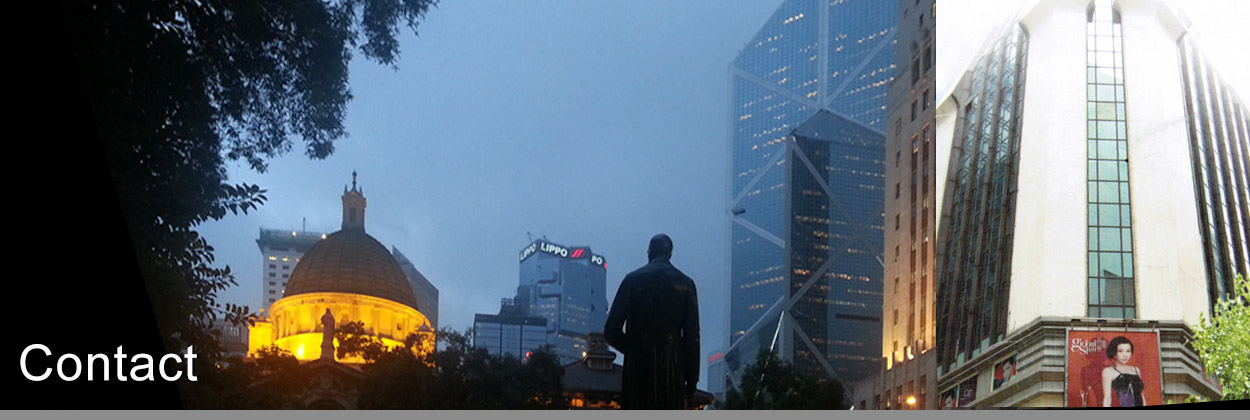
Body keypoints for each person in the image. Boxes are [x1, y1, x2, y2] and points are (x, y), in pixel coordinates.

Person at [604, 234, 700, 409]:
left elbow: (610, 330)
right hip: (672, 366)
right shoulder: (686, 284)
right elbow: (692, 336)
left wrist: (634, 349)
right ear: (670, 253)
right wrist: (692, 378)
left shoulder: (632, 280)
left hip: (638, 368)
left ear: (649, 253)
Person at [1101, 336, 1145, 407]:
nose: (1125, 355)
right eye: (1120, 351)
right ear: (1114, 352)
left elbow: (1141, 395)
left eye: (1128, 351)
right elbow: (1107, 398)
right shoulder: (1108, 371)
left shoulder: (1136, 370)